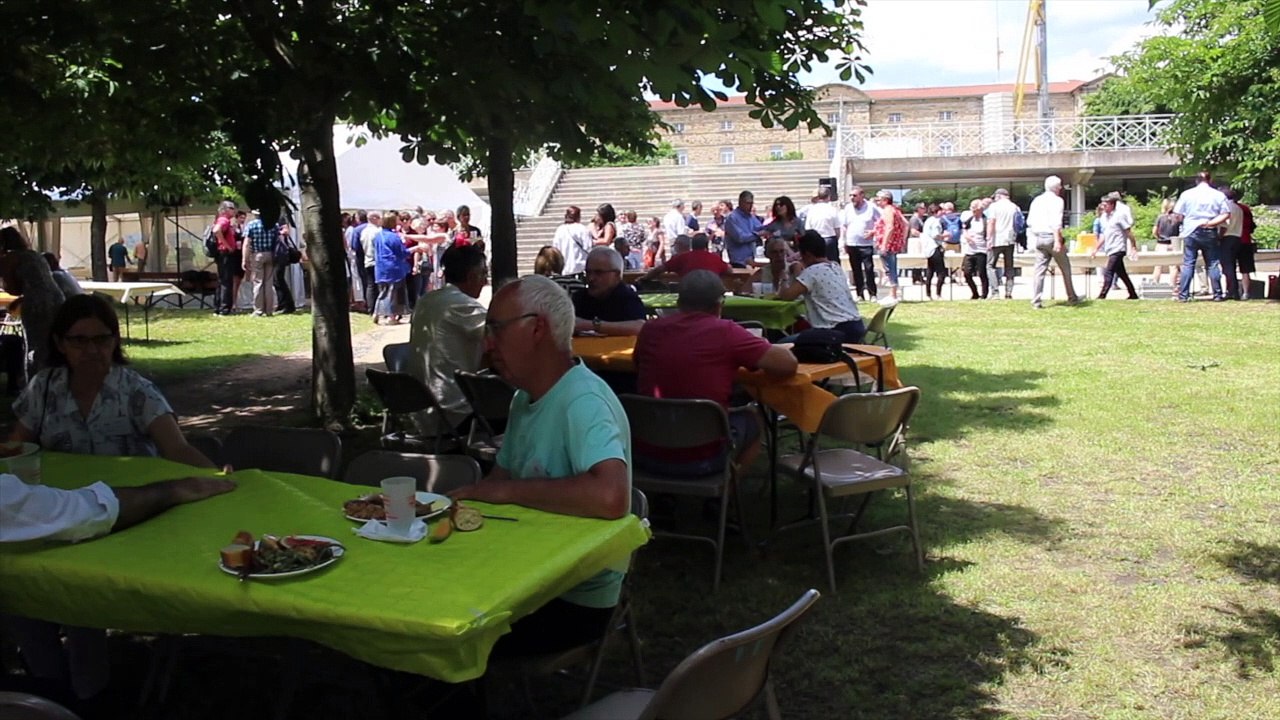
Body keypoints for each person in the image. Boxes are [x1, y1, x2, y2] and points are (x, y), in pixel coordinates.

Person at [451, 274, 630, 659]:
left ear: (537, 329)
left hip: (575, 599)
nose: (487, 343)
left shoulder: (582, 400)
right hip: (525, 573)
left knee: (448, 636)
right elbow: (497, 485)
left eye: (496, 328)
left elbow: (612, 497)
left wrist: (502, 491)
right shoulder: (524, 398)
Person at [10, 294, 216, 467]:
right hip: (63, 503)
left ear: (115, 340)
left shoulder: (137, 391)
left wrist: (216, 476)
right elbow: (17, 448)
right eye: (79, 341)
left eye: (101, 339)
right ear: (60, 343)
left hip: (134, 503)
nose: (91, 350)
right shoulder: (43, 388)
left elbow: (177, 449)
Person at [634, 270, 796, 475]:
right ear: (719, 304)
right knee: (754, 417)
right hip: (705, 456)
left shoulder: (650, 330)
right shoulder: (726, 332)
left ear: (679, 302)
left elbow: (638, 365)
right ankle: (728, 492)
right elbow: (787, 364)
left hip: (646, 451)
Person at [408, 245, 487, 433]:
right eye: (484, 273)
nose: (485, 280)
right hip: (454, 414)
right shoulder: (462, 305)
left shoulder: (426, 300)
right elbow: (506, 333)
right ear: (471, 275)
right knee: (524, 407)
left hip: (421, 412)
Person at [775, 230, 866, 343]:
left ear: (807, 255)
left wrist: (783, 277)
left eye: (801, 255)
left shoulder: (811, 273)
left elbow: (786, 296)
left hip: (832, 332)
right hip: (856, 326)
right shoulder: (835, 267)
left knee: (781, 344)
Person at [0, 247, 65, 373]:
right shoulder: (35, 256)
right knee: (54, 344)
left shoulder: (9, 259)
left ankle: (36, 380)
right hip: (57, 298)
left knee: (35, 347)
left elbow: (13, 289)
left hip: (36, 305)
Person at [1173, 171, 1230, 303]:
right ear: (1210, 180)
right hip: (1209, 230)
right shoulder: (1218, 195)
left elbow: (1177, 214)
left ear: (1196, 180)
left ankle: (1183, 295)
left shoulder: (1187, 194)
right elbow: (1226, 214)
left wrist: (1184, 221)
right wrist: (1211, 223)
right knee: (1212, 263)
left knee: (1188, 263)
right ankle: (1217, 294)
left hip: (1191, 231)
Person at [1027, 175, 1080, 308]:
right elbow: (1056, 222)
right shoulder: (1057, 201)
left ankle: (1036, 300)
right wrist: (1057, 241)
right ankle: (1072, 296)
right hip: (1051, 236)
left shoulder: (1037, 200)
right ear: (1056, 187)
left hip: (1039, 237)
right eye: (1060, 186)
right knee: (1065, 268)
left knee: (1039, 270)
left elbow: (1030, 221)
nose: (1061, 188)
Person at [572, 247, 646, 337]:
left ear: (617, 275)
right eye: (588, 272)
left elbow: (640, 327)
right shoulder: (579, 298)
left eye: (598, 273)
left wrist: (592, 325)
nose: (591, 278)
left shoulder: (627, 298)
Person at [1091, 195, 1139, 300]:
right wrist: (1096, 248)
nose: (1103, 206)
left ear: (1112, 205)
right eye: (1102, 204)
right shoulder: (1103, 217)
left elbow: (1128, 232)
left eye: (1106, 204)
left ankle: (1102, 295)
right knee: (1122, 274)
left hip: (1118, 248)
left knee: (1108, 272)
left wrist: (1133, 246)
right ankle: (1133, 294)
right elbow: (1104, 234)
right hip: (1109, 248)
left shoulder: (1119, 216)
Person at [840, 185, 878, 300]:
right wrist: (843, 241)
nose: (852, 198)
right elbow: (844, 226)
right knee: (856, 270)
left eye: (855, 195)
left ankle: (872, 293)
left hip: (866, 244)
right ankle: (859, 294)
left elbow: (881, 222)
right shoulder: (848, 208)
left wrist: (873, 231)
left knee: (869, 269)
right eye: (850, 195)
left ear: (862, 196)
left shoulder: (871, 207)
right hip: (852, 244)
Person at [642, 232, 729, 280]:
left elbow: (660, 269)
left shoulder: (682, 258)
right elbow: (729, 270)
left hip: (689, 293)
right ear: (706, 246)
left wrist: (644, 278)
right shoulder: (714, 258)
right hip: (711, 294)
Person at [871, 190, 908, 301]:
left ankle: (893, 294)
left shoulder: (888, 210)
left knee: (889, 269)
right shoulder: (895, 210)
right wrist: (902, 239)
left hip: (888, 244)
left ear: (885, 200)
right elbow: (906, 224)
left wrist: (884, 244)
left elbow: (889, 227)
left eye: (878, 199)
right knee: (890, 268)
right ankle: (893, 293)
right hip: (894, 243)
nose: (877, 201)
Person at [373, 213, 409, 324]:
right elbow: (402, 253)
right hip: (394, 268)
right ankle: (391, 316)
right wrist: (414, 249)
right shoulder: (394, 237)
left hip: (380, 267)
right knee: (393, 292)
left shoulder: (378, 236)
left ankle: (377, 312)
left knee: (383, 291)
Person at [241, 210, 278, 317]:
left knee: (258, 282)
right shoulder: (274, 224)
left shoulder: (251, 225)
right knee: (269, 283)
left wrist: (245, 259)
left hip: (257, 255)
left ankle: (258, 310)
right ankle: (269, 310)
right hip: (271, 254)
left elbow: (247, 243)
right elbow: (278, 239)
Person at [985, 188, 1020, 299]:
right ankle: (1009, 292)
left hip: (997, 239)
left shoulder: (994, 207)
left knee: (990, 265)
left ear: (999, 196)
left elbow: (991, 222)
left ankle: (995, 292)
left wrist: (989, 239)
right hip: (1010, 239)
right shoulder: (1014, 207)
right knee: (1009, 267)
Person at [211, 200, 239, 316]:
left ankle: (218, 307)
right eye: (232, 208)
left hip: (223, 253)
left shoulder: (224, 221)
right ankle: (224, 308)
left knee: (223, 280)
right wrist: (227, 246)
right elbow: (216, 230)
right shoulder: (224, 220)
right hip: (225, 253)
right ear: (225, 210)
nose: (234, 210)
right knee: (227, 281)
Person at [723, 191, 763, 267]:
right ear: (740, 202)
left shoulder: (751, 217)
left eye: (751, 203)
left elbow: (760, 227)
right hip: (738, 261)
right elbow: (740, 238)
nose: (750, 206)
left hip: (750, 259)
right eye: (748, 203)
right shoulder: (732, 218)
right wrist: (758, 235)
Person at [960, 199, 989, 300]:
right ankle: (974, 293)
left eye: (975, 210)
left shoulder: (985, 221)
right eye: (972, 210)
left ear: (980, 210)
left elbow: (989, 234)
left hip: (982, 250)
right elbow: (964, 230)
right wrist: (967, 236)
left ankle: (984, 294)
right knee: (967, 273)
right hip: (970, 250)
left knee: (982, 273)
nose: (973, 212)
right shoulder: (969, 220)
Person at [1220, 187, 1246, 301]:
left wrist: (1218, 237)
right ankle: (1233, 290)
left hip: (1227, 238)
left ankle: (1232, 291)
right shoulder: (1238, 208)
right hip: (1237, 237)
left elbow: (1224, 225)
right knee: (1232, 266)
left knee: (1227, 267)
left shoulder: (1227, 207)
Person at [804, 187, 843, 262]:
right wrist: (836, 239)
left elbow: (808, 228)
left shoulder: (812, 210)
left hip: (815, 240)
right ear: (828, 196)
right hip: (830, 239)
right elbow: (837, 229)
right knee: (832, 263)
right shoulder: (832, 209)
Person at [552, 205, 593, 275]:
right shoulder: (582, 229)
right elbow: (588, 247)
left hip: (564, 269)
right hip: (580, 268)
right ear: (578, 216)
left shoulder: (560, 230)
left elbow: (555, 249)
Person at [1150, 198, 1181, 286]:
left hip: (1161, 243)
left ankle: (1155, 283)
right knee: (1173, 266)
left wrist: (1158, 237)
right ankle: (1173, 284)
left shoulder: (1160, 217)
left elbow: (1154, 231)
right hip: (1173, 244)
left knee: (1158, 265)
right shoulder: (1178, 217)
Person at [921, 203, 948, 300]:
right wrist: (945, 236)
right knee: (941, 272)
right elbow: (935, 235)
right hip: (935, 247)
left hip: (928, 248)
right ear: (937, 212)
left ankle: (928, 294)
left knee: (930, 272)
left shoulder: (927, 221)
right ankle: (938, 294)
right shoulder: (936, 221)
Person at [359, 211, 383, 315]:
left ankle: (371, 308)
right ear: (373, 218)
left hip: (367, 260)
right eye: (378, 218)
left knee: (370, 285)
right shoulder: (377, 232)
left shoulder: (364, 231)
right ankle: (377, 309)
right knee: (377, 286)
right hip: (376, 261)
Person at [273, 221, 298, 314]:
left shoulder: (280, 220)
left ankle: (288, 305)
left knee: (279, 280)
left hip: (280, 254)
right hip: (279, 254)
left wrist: (279, 232)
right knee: (276, 281)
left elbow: (286, 231)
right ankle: (282, 303)